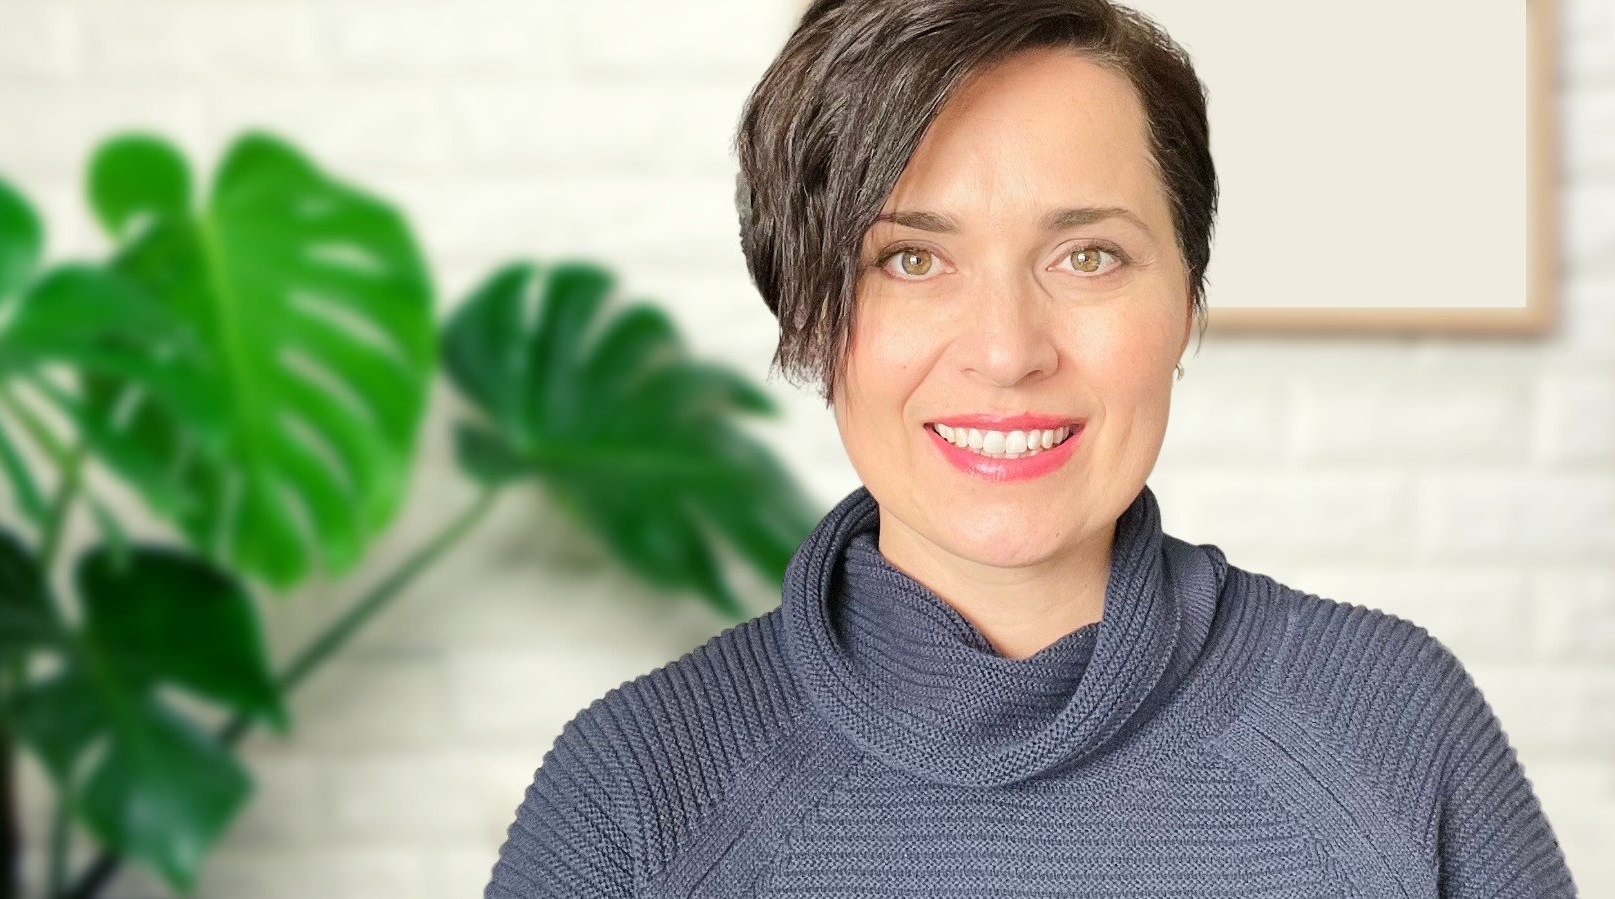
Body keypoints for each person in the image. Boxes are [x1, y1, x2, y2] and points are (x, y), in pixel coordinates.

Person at [483, 0, 1580, 895]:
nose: (1007, 351)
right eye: (911, 260)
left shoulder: (1393, 733)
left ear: (1186, 300)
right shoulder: (635, 795)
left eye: (1088, 256)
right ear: (811, 320)